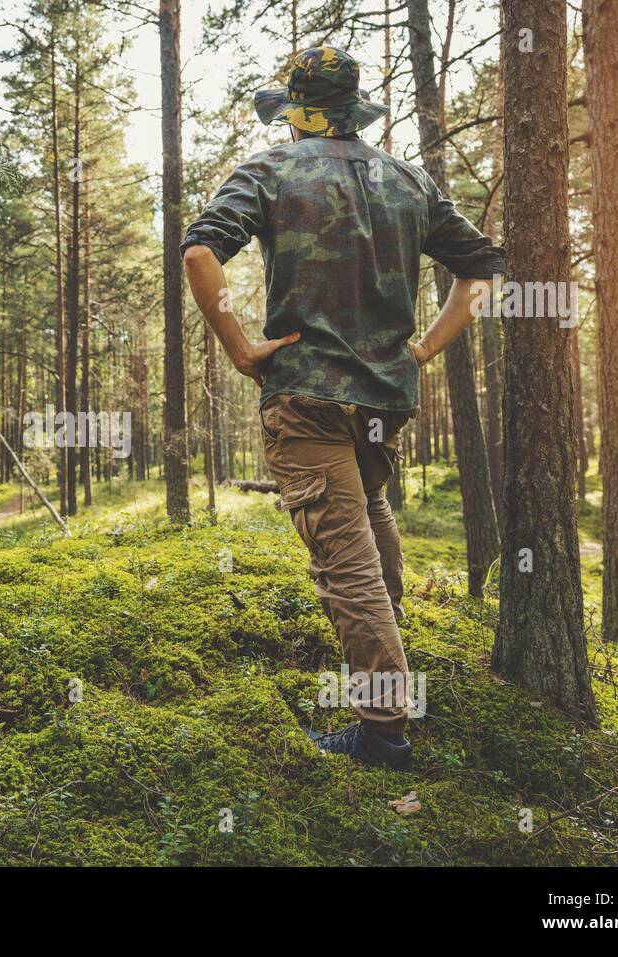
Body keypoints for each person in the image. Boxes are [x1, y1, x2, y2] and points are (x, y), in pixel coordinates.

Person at [181, 46, 505, 770]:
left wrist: (239, 345)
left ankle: (384, 728)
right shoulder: (407, 178)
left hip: (307, 397)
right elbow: (483, 265)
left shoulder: (270, 170)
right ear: (355, 113)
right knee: (369, 517)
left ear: (295, 115)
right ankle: (390, 657)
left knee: (344, 561)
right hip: (384, 400)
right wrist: (422, 350)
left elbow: (201, 252)